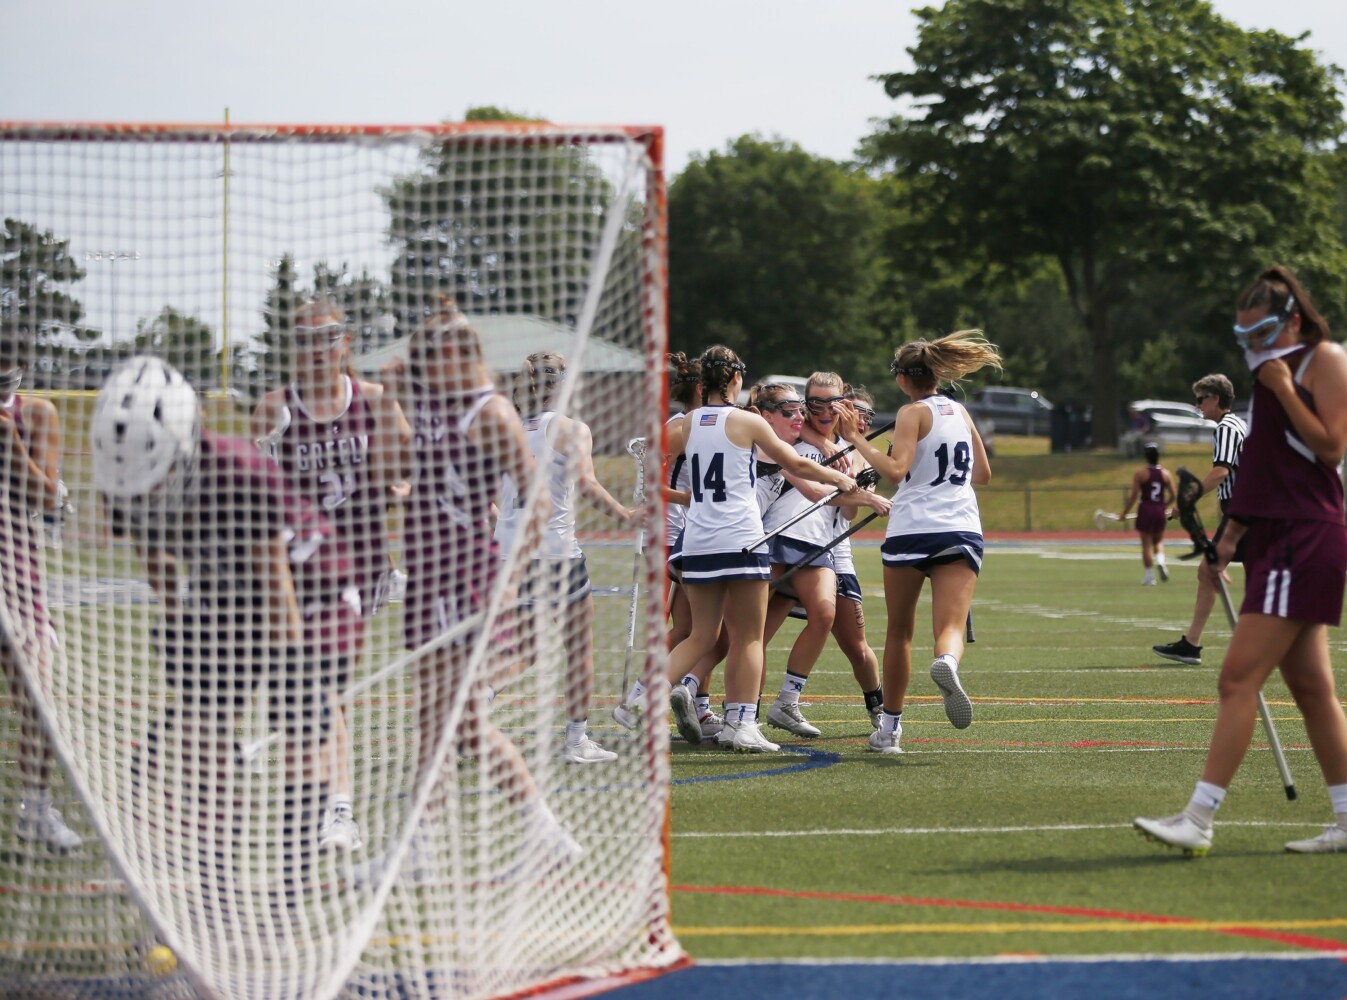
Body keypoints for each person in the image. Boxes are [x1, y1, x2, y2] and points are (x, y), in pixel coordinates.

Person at [91, 356, 362, 855]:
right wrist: (176, 617)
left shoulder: (241, 474)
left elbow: (278, 583)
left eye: (160, 480)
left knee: (300, 722)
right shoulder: (123, 468)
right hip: (231, 590)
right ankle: (217, 876)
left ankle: (294, 874)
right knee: (204, 729)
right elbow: (150, 550)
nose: (149, 495)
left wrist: (292, 665)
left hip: (314, 589)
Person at [1136, 266, 1347, 856]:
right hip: (1280, 535)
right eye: (1245, 337)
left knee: (1237, 678)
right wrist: (1229, 538)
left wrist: (1281, 387)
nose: (1254, 348)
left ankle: (1199, 817)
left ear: (1295, 323)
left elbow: (1331, 447)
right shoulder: (1270, 371)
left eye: (1264, 334)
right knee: (1311, 689)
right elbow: (1265, 470)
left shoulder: (1322, 361)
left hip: (1303, 539)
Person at [382, 302, 580, 875]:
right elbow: (406, 473)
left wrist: (506, 580)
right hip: (429, 576)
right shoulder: (433, 408)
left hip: (463, 579)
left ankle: (540, 833)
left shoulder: (489, 411)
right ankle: (422, 846)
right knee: (437, 720)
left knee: (460, 723)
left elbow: (535, 499)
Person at [625, 346, 858, 753]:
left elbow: (650, 451)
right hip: (741, 539)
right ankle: (742, 725)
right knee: (748, 637)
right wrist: (839, 479)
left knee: (699, 636)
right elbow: (796, 462)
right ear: (735, 379)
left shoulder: (689, 423)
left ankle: (640, 697)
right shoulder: (747, 421)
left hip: (697, 541)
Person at [251, 299, 413, 850]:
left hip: (362, 562)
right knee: (318, 687)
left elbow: (396, 471)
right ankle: (332, 803)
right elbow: (260, 499)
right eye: (304, 339)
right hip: (301, 567)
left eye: (326, 338)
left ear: (344, 342)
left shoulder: (367, 399)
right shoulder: (275, 408)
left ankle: (338, 809)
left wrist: (392, 406)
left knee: (326, 687)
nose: (316, 350)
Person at [835, 330, 999, 754]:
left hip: (911, 528)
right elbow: (982, 474)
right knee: (949, 627)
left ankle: (889, 732)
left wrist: (855, 440)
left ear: (904, 378)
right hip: (960, 526)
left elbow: (894, 469)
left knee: (899, 633)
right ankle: (946, 662)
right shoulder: (960, 412)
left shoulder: (912, 413)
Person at [494, 351, 636, 764]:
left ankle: (472, 702)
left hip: (509, 551)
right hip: (555, 552)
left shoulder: (507, 429)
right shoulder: (572, 429)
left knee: (524, 650)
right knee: (578, 646)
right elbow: (587, 484)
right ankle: (575, 741)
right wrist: (626, 514)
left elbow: (492, 499)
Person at [760, 374, 889, 739]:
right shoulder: (801, 436)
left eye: (866, 416)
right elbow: (805, 457)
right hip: (790, 539)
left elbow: (847, 513)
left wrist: (857, 469)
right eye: (813, 404)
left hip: (831, 551)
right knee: (749, 631)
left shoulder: (857, 454)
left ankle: (878, 706)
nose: (861, 421)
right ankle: (714, 702)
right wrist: (842, 468)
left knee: (855, 644)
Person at [0, 338, 82, 853]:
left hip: (16, 571)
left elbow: (48, 495)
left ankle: (35, 808)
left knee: (37, 697)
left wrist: (10, 444)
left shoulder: (37, 414)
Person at [1152, 375, 1247, 665]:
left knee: (1208, 570)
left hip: (1244, 512)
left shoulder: (1227, 429)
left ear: (1216, 399)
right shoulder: (1238, 424)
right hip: (1248, 509)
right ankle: (1194, 644)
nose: (1198, 406)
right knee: (1227, 572)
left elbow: (1221, 472)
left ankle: (1193, 644)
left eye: (1201, 399)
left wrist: (1187, 499)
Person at [1120, 443, 1175, 585]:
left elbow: (1133, 496)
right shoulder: (1166, 474)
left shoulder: (1141, 474)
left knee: (1146, 544)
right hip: (1160, 510)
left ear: (1146, 457)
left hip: (1146, 509)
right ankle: (1161, 561)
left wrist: (1124, 513)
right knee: (1158, 540)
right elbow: (1174, 495)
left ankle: (1150, 577)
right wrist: (1164, 506)